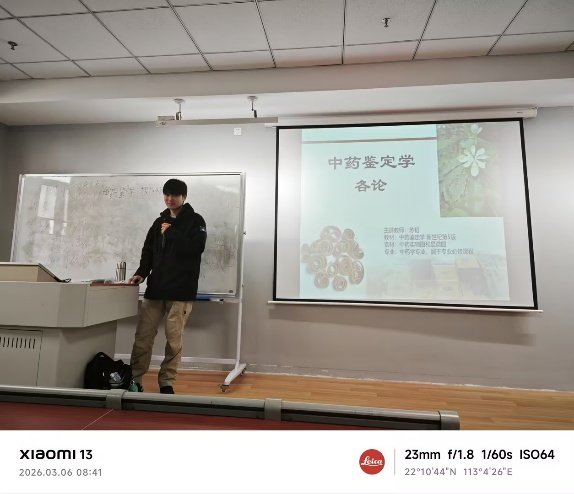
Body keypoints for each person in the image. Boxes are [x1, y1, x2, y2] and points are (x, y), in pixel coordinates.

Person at [128, 178, 207, 394]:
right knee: (143, 337)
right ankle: (135, 380)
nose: (169, 199)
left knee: (173, 340)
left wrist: (172, 234)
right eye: (166, 194)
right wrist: (141, 273)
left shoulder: (196, 220)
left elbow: (197, 249)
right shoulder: (159, 222)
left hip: (181, 290)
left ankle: (166, 382)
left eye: (174, 195)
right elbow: (148, 251)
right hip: (156, 289)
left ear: (184, 197)